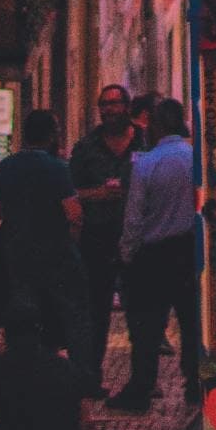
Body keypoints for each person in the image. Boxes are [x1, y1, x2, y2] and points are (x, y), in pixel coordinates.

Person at [0, 108, 92, 367]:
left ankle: (21, 367)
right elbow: (74, 213)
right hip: (54, 253)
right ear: (52, 135)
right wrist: (72, 245)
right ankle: (71, 372)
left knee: (21, 312)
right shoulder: (57, 168)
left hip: (15, 252)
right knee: (66, 315)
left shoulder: (6, 166)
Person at [119, 98, 202, 411]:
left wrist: (127, 253)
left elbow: (134, 216)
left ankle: (141, 386)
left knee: (147, 327)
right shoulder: (195, 158)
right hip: (188, 250)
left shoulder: (146, 163)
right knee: (191, 323)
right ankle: (195, 384)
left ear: (158, 125)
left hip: (153, 255)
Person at [70, 85, 141, 394]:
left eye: (114, 104)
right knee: (95, 313)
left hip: (136, 239)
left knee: (140, 312)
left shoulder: (145, 143)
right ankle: (90, 377)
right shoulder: (86, 149)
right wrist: (97, 194)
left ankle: (143, 380)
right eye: (104, 105)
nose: (109, 110)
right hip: (96, 240)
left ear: (126, 106)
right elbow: (70, 195)